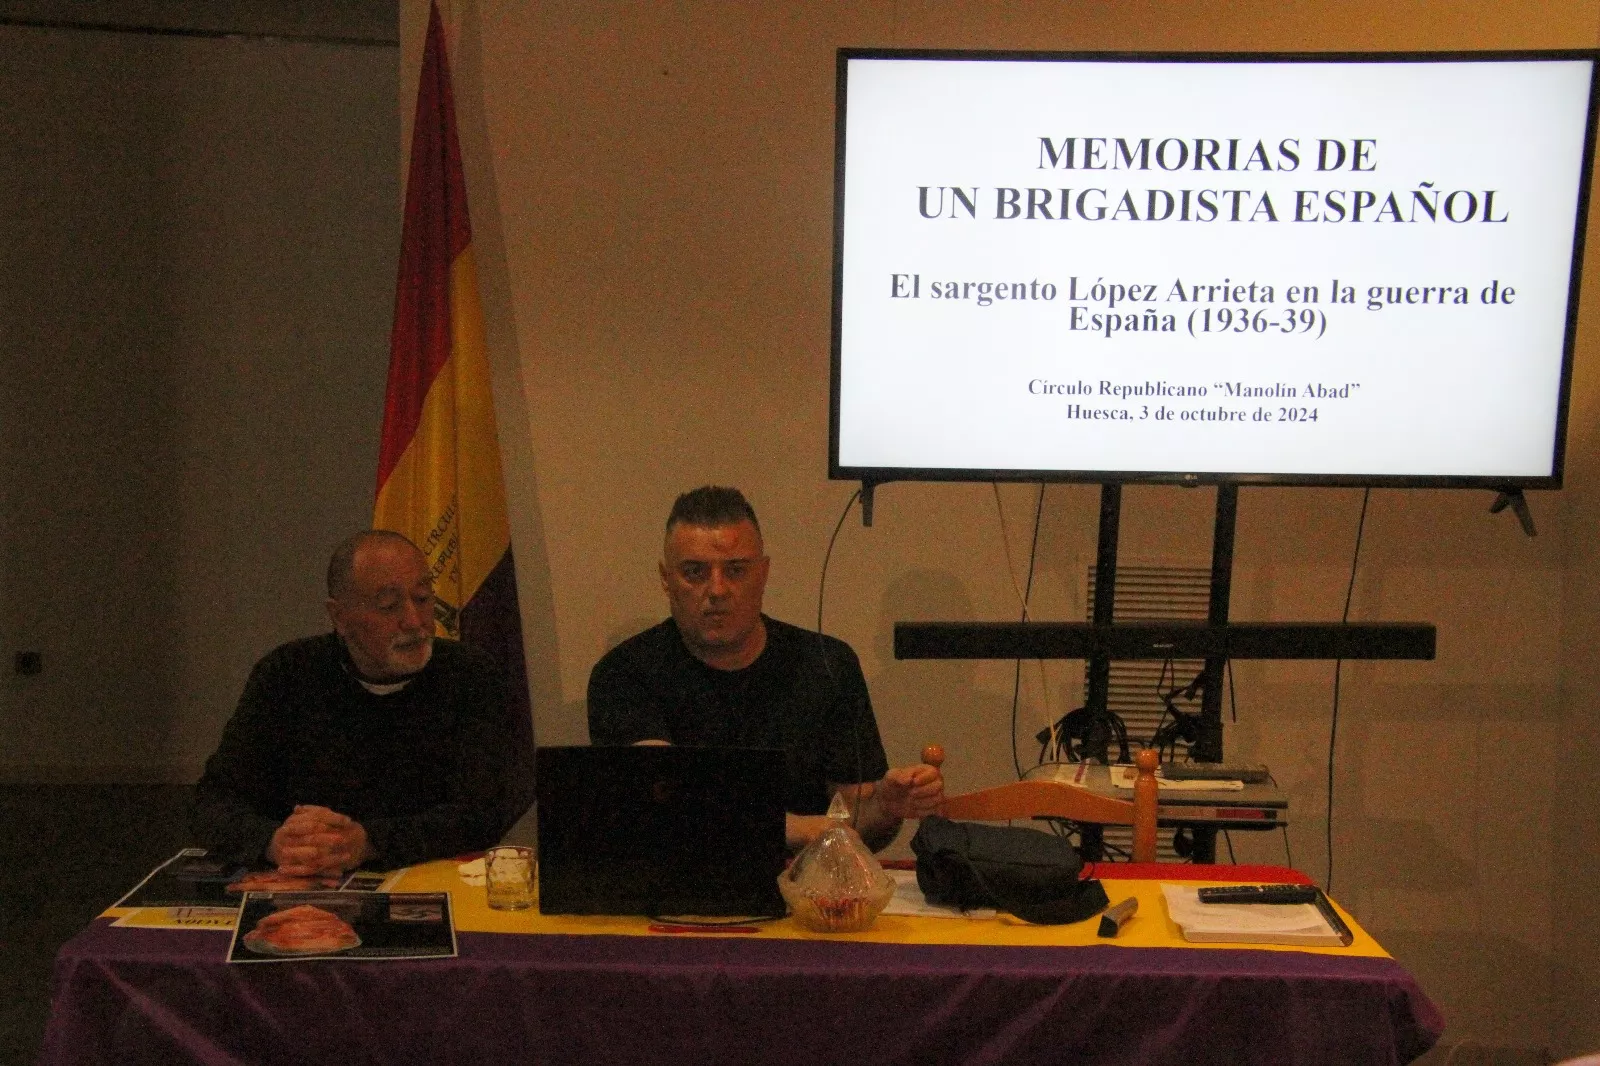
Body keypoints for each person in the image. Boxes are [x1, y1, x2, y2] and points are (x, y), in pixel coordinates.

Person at [587, 486, 942, 852]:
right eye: (695, 572)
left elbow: (853, 825)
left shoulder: (827, 664)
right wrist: (792, 827)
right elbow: (663, 802)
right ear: (666, 579)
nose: (718, 589)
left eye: (736, 570)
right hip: (672, 889)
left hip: (806, 892)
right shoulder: (624, 674)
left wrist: (884, 805)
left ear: (764, 573)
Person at [191, 530, 518, 873]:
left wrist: (369, 842)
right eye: (389, 606)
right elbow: (212, 803)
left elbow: (484, 812)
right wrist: (274, 842)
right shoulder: (286, 674)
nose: (415, 621)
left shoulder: (470, 675)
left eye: (422, 598)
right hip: (300, 892)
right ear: (339, 617)